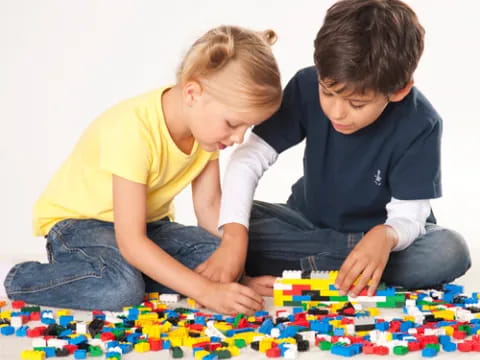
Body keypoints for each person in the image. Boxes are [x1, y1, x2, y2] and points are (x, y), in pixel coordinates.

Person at [2, 25, 282, 314]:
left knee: (216, 259)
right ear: (193, 94)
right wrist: (206, 290)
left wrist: (237, 277)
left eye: (246, 127)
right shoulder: (133, 130)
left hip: (148, 226)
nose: (238, 138)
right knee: (120, 289)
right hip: (81, 226)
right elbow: (132, 241)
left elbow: (210, 206)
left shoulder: (206, 134)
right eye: (233, 124)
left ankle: (136, 274)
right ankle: (16, 278)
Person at [204, 0, 471, 298]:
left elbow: (410, 214)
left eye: (357, 104)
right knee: (222, 218)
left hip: (385, 237)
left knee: (448, 251)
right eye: (327, 92)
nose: (337, 112)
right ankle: (349, 267)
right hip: (306, 223)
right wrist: (236, 237)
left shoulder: (421, 122)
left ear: (399, 91)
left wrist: (385, 236)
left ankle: (338, 265)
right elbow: (249, 158)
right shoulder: (305, 84)